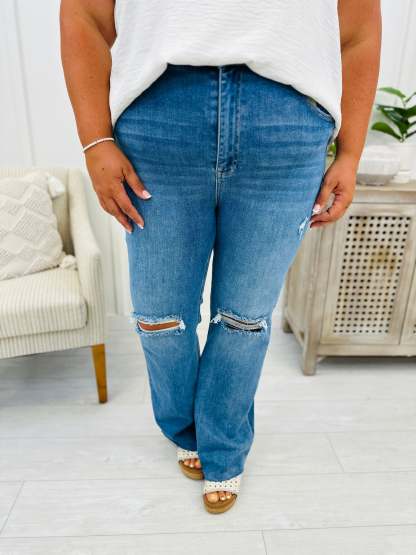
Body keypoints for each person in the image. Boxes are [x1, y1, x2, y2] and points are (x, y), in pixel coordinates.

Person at [60, 0, 381, 514]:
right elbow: (83, 14)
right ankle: (186, 427)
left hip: (287, 122)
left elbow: (358, 32)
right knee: (160, 317)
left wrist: (350, 153)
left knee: (245, 317)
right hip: (160, 115)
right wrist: (95, 140)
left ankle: (224, 444)